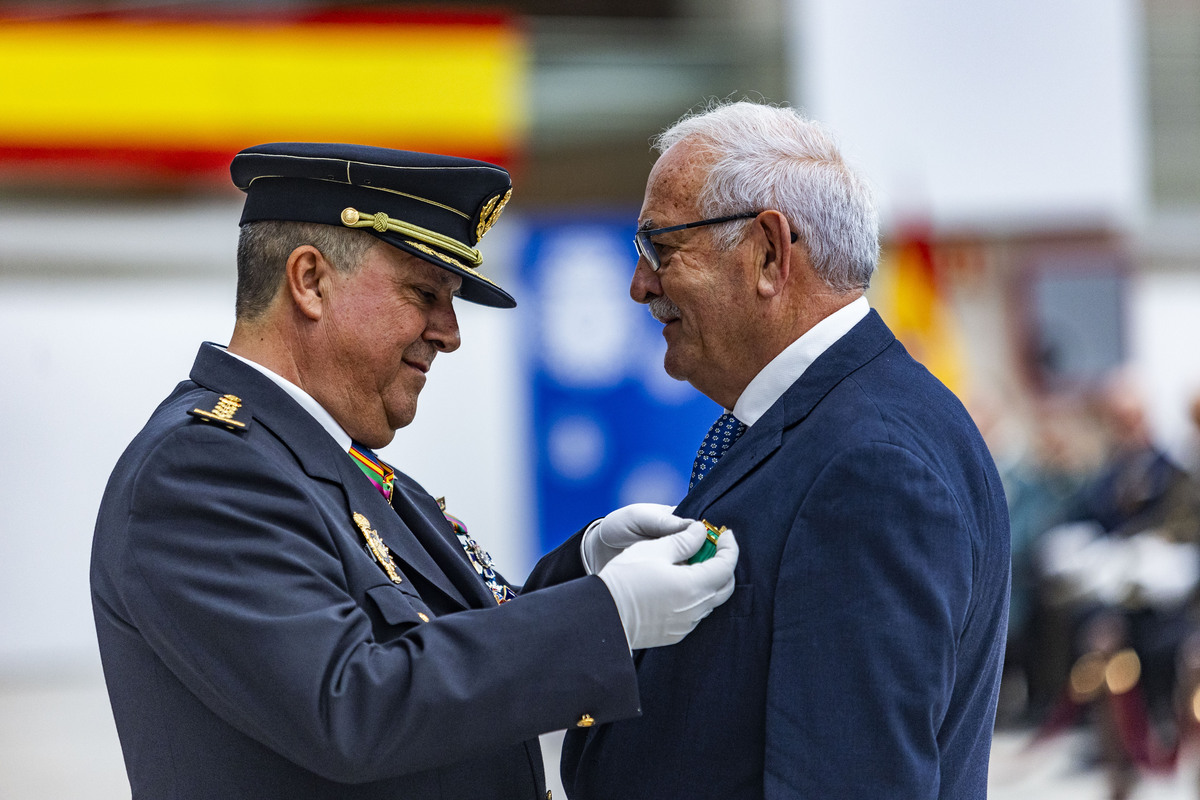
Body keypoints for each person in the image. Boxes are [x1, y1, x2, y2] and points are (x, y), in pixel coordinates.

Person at [89, 142, 738, 800]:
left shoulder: (339, 467)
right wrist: (609, 611)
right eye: (424, 293)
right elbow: (351, 706)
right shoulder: (203, 470)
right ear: (310, 281)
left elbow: (461, 638)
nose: (449, 332)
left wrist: (585, 571)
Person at [540, 101, 1011, 799]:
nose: (640, 286)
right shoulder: (833, 426)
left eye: (659, 250)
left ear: (767, 252)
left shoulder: (872, 465)